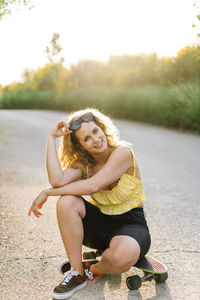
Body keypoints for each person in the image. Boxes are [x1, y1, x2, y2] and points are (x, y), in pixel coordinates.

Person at [28, 108, 151, 299]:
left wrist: (48, 193)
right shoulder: (84, 165)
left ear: (102, 128)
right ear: (80, 146)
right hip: (100, 227)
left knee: (121, 257)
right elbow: (57, 180)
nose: (95, 139)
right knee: (66, 202)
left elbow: (94, 185)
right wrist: (51, 138)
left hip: (131, 225)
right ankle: (77, 273)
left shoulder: (122, 152)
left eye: (95, 131)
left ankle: (91, 268)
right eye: (86, 139)